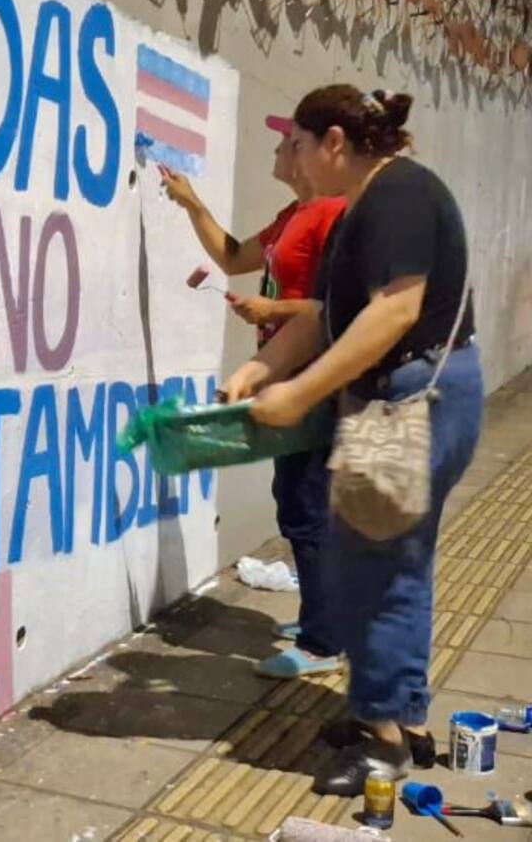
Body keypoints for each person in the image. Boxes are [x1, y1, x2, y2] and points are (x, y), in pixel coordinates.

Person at [223, 85, 482, 795]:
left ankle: (383, 742)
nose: (293, 161)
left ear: (335, 141)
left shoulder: (396, 195)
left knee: (371, 571)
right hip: (416, 394)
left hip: (413, 398)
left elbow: (393, 312)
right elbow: (323, 315)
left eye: (299, 145)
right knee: (397, 563)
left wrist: (299, 393)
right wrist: (260, 367)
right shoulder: (359, 208)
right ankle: (406, 718)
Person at [161, 116, 345, 679]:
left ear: (306, 151)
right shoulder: (292, 216)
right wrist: (191, 203)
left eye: (286, 141)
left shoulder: (336, 216)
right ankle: (325, 617)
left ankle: (323, 641)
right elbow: (234, 255)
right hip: (283, 372)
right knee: (297, 495)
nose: (276, 148)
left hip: (311, 374)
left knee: (305, 501)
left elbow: (342, 305)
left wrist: (274, 311)